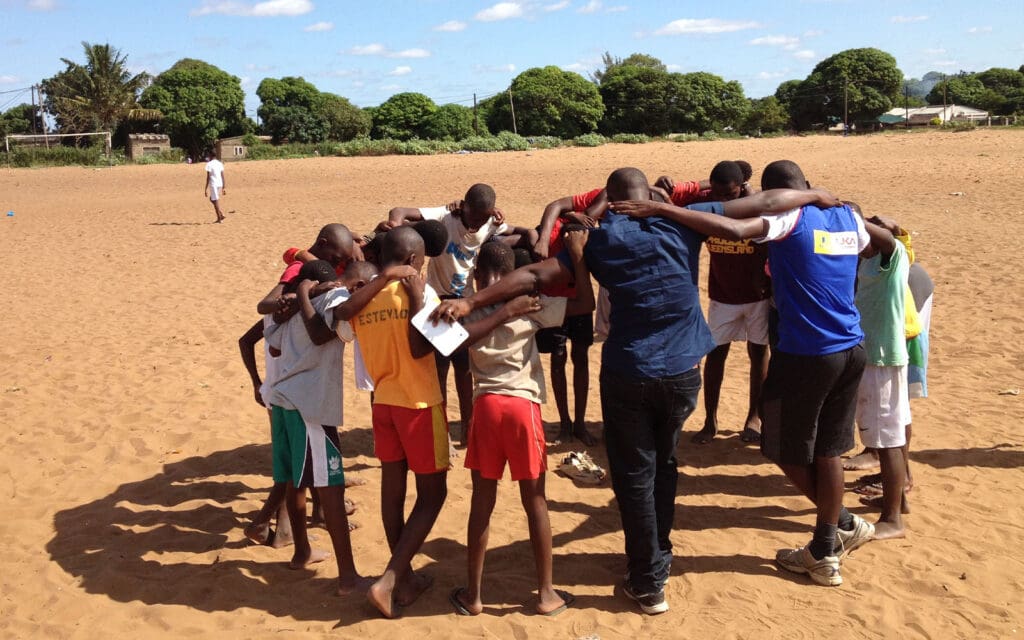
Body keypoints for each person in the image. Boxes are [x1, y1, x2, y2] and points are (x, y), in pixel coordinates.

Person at [433, 168, 818, 614]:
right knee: (665, 463)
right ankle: (660, 555)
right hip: (682, 371)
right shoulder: (684, 220)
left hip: (629, 373)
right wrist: (819, 196)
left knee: (635, 476)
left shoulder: (600, 238)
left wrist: (472, 301)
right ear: (647, 196)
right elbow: (767, 204)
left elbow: (535, 276)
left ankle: (647, 579)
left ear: (611, 200)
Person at [610, 160, 877, 587]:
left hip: (806, 352)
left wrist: (662, 211)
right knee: (828, 450)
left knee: (781, 445)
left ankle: (837, 527)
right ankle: (829, 544)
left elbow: (732, 230)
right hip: (851, 347)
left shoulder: (790, 217)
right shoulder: (848, 215)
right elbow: (876, 244)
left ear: (772, 196)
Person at [449, 236, 593, 617]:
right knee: (536, 502)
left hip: (485, 408)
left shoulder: (467, 306)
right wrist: (578, 260)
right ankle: (546, 594)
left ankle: (473, 595)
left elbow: (457, 344)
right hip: (522, 406)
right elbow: (585, 304)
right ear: (513, 275)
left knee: (482, 502)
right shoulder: (530, 304)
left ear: (477, 274)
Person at [332, 226, 449, 619]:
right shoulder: (421, 291)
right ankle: (391, 578)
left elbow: (343, 329)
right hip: (418, 401)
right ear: (416, 262)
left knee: (393, 492)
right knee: (433, 495)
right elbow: (432, 345)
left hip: (382, 402)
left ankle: (406, 579)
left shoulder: (365, 294)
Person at [380, 184, 536, 446]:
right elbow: (400, 211)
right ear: (463, 205)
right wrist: (396, 224)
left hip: (465, 304)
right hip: (437, 302)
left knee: (465, 370)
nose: (476, 225)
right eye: (473, 217)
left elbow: (523, 232)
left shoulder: (489, 225)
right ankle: (443, 432)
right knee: (439, 371)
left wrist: (534, 238)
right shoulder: (445, 216)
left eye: (482, 219)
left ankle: (468, 428)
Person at [263, 259, 367, 596]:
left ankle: (301, 550)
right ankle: (348, 576)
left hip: (282, 401)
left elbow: (273, 341)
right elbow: (333, 333)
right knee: (331, 488)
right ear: (350, 285)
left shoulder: (291, 306)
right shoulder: (334, 302)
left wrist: (300, 296)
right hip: (310, 406)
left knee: (294, 481)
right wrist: (313, 296)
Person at [658, 161, 769, 444]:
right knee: (715, 355)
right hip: (722, 295)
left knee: (758, 356)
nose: (722, 201)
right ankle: (710, 420)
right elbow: (667, 199)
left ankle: (754, 417)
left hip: (758, 297)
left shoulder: (756, 205)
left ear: (742, 187)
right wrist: (674, 182)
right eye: (717, 192)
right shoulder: (707, 203)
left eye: (728, 195)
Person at [852, 209, 912, 540]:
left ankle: (892, 520)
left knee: (885, 439)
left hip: (881, 359)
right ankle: (897, 502)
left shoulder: (889, 258)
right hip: (878, 356)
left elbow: (890, 238)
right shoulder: (866, 261)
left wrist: (846, 217)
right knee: (891, 432)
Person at [203, 149, 226, 223]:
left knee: (215, 200)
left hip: (214, 184)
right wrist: (224, 187)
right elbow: (222, 176)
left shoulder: (209, 164)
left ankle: (219, 218)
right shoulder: (220, 163)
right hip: (219, 183)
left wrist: (205, 188)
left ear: (210, 155)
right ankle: (220, 214)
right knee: (212, 199)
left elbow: (208, 177)